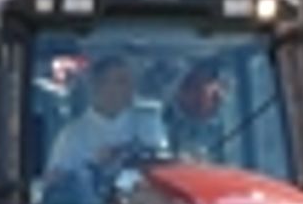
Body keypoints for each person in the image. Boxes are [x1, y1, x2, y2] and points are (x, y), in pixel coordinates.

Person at [44, 54, 170, 190]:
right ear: (99, 86)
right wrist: (93, 166)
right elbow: (53, 183)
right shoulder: (72, 135)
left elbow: (163, 168)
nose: (131, 88)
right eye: (122, 81)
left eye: (131, 82)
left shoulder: (148, 124)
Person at [165, 60, 230, 163]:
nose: (218, 95)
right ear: (182, 91)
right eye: (196, 87)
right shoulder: (164, 121)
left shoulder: (231, 123)